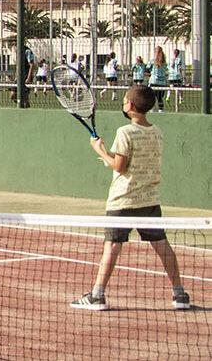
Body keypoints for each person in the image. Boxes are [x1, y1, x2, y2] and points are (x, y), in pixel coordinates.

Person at [71, 85, 190, 312]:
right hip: (149, 200)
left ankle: (97, 296)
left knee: (112, 246)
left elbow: (120, 166)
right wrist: (110, 159)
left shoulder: (125, 132)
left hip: (123, 201)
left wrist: (100, 150)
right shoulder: (157, 132)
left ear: (131, 106)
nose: (123, 103)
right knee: (163, 247)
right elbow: (132, 165)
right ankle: (179, 294)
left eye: (125, 100)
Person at [149, 47, 168, 113]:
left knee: (152, 97)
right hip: (162, 82)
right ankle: (161, 110)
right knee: (160, 97)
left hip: (154, 81)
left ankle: (152, 109)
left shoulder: (152, 61)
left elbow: (147, 69)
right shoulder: (164, 62)